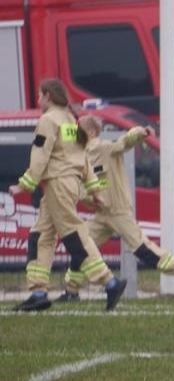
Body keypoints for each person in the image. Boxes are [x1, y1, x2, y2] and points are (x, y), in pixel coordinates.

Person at [43, 116, 174, 301]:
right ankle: (71, 291)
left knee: (142, 250)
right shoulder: (79, 155)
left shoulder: (104, 148)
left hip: (119, 212)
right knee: (80, 246)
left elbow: (124, 142)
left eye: (77, 128)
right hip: (101, 215)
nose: (73, 132)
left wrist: (141, 132)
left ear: (90, 133)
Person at [8, 78, 126, 312]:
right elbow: (83, 160)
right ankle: (38, 292)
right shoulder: (72, 121)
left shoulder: (48, 120)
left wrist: (24, 185)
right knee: (40, 236)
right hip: (65, 184)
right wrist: (94, 189)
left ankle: (109, 282)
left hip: (58, 185)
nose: (39, 100)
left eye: (40, 96)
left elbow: (40, 156)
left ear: (48, 96)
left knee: (75, 235)